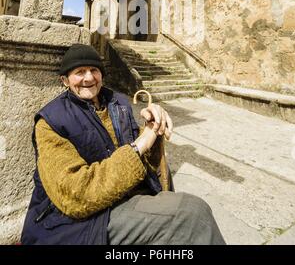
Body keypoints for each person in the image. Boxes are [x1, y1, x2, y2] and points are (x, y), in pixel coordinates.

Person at [21, 44, 225, 245]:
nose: (89, 78)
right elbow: (75, 195)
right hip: (77, 221)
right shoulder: (51, 121)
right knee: (191, 216)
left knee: (193, 212)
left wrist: (152, 129)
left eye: (94, 70)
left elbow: (147, 162)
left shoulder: (117, 103)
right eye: (79, 72)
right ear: (65, 80)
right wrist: (140, 144)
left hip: (124, 197)